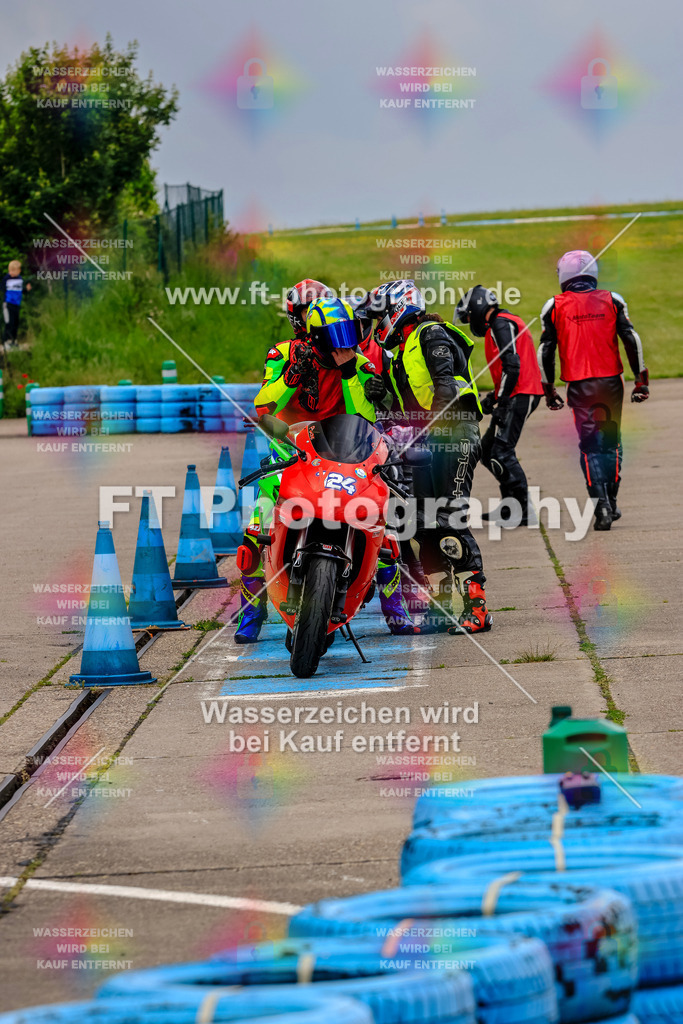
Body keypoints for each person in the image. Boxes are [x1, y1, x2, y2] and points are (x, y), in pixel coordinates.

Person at [236, 291, 416, 642]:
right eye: (336, 337)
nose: (344, 345)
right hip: (290, 451)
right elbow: (263, 406)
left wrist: (353, 374)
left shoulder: (360, 364)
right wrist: (291, 376)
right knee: (254, 532)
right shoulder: (284, 353)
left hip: (344, 456)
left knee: (385, 530)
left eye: (349, 333)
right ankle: (251, 614)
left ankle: (395, 611)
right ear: (316, 335)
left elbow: (363, 421)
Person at [365, 279, 492, 635]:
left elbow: (445, 384)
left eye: (382, 316)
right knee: (421, 523)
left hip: (454, 434)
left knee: (450, 517)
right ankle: (441, 606)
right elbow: (402, 411)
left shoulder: (430, 332)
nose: (379, 325)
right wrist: (381, 393)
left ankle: (477, 607)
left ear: (399, 308)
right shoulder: (399, 354)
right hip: (424, 441)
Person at [538, 250, 649, 531]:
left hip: (579, 385)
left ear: (564, 275)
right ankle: (611, 501)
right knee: (612, 442)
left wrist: (549, 388)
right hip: (612, 383)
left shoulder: (554, 306)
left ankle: (600, 507)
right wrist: (641, 378)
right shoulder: (613, 300)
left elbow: (545, 351)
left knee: (589, 447)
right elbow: (631, 338)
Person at [455, 285, 543, 526]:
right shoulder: (504, 322)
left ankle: (523, 510)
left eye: (469, 316)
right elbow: (511, 367)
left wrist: (502, 403)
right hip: (515, 394)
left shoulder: (500, 324)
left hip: (519, 395)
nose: (470, 321)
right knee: (488, 448)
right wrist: (493, 398)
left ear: (477, 308)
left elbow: (512, 365)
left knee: (502, 451)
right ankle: (510, 507)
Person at [2, 260, 31, 348]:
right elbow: (2, 288)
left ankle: (14, 341)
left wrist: (26, 290)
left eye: (15, 270)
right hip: (8, 304)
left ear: (18, 271)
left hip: (16, 304)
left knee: (15, 323)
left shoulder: (20, 279)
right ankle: (6, 341)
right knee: (9, 322)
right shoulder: (6, 278)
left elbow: (20, 291)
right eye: (11, 271)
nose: (12, 273)